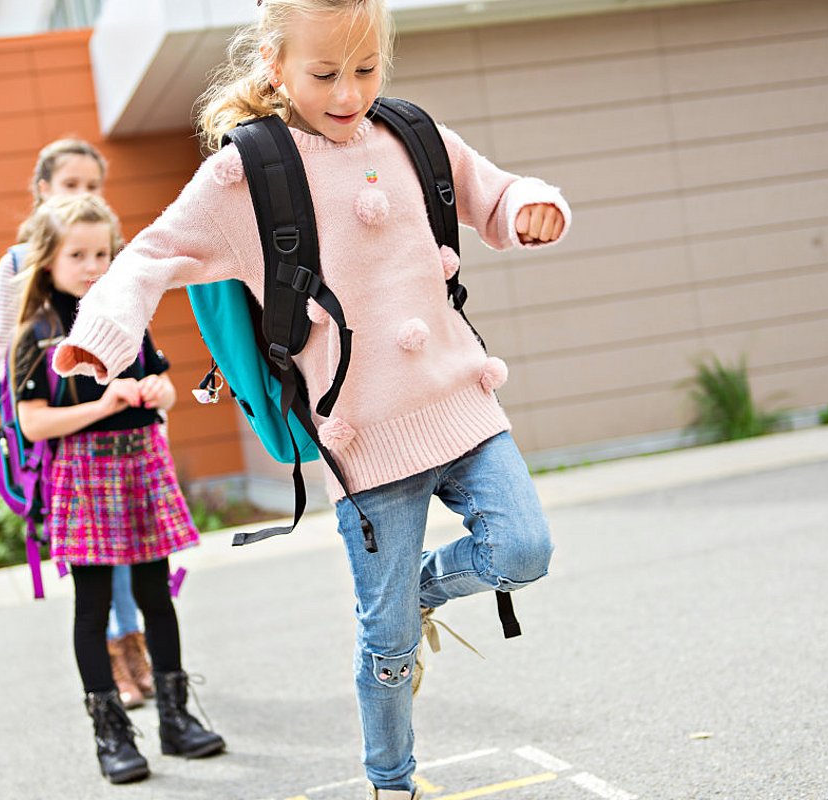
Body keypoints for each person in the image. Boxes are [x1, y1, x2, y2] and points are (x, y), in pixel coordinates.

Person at [53, 1, 569, 796]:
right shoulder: (246, 173)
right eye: (325, 73)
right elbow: (151, 255)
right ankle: (389, 780)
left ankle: (417, 590)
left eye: (366, 69)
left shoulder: (412, 136)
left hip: (463, 405)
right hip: (364, 442)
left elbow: (492, 194)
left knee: (523, 550)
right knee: (388, 646)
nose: (349, 92)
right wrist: (105, 332)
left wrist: (531, 206)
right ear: (274, 63)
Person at [11, 193, 226, 784]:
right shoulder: (39, 332)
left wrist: (161, 391)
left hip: (141, 464)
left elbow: (161, 382)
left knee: (158, 597)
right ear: (49, 260)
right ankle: (112, 736)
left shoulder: (126, 314)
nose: (92, 266)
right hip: (83, 474)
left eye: (102, 253)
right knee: (95, 604)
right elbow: (32, 422)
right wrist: (103, 404)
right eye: (77, 254)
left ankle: (177, 721)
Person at [0, 138, 154, 708]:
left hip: (124, 429)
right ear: (43, 190)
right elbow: (4, 349)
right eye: (70, 185)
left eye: (92, 186)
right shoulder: (20, 262)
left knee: (134, 548)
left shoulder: (110, 256)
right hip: (63, 427)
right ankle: (115, 654)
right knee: (97, 557)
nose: (83, 195)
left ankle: (134, 647)